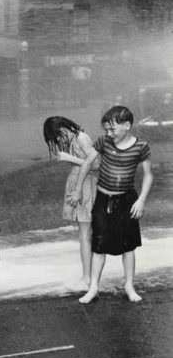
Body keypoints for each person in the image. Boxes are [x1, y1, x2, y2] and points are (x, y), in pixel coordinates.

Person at [69, 105, 154, 304]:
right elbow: (88, 163)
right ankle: (93, 288)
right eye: (106, 129)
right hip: (103, 198)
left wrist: (141, 200)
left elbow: (149, 175)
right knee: (99, 245)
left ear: (127, 125)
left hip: (127, 200)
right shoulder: (103, 142)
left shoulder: (141, 146)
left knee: (128, 246)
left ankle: (129, 286)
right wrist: (78, 189)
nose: (109, 133)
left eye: (112, 129)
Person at [43, 116, 99, 290]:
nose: (59, 140)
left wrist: (70, 158)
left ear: (64, 128)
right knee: (83, 233)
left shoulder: (82, 138)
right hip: (76, 182)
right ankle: (87, 275)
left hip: (86, 185)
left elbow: (96, 164)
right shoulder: (72, 140)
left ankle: (88, 277)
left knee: (85, 234)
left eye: (59, 136)